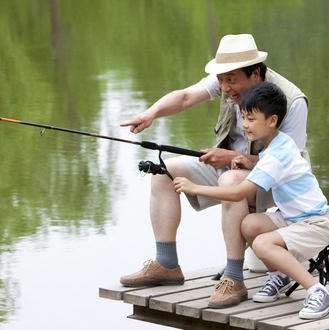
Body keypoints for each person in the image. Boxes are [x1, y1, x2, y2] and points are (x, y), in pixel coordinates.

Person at [119, 34, 309, 307]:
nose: (225, 86)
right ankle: (167, 264)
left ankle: (233, 278)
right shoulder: (227, 80)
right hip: (229, 168)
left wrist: (232, 157)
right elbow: (185, 97)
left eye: (231, 80)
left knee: (231, 179)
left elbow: (289, 164)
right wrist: (151, 114)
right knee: (163, 171)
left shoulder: (292, 101)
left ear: (255, 73)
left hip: (278, 183)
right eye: (221, 80)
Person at [174, 82, 329, 319]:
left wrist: (194, 187)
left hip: (316, 224)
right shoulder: (277, 143)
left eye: (251, 119)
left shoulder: (276, 153)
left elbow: (238, 193)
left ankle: (317, 291)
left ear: (271, 120)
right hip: (294, 218)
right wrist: (249, 161)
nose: (244, 125)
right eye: (243, 117)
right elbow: (270, 163)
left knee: (262, 244)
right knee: (249, 224)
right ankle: (280, 274)